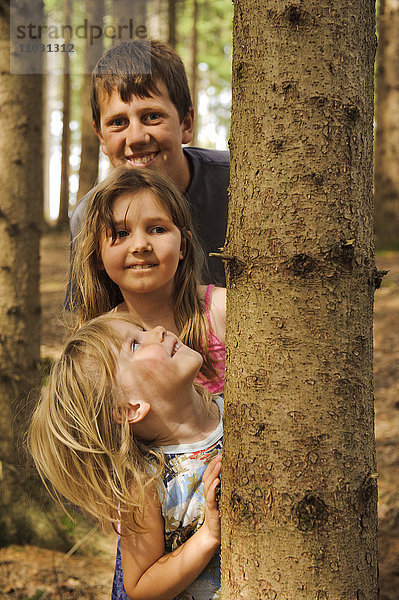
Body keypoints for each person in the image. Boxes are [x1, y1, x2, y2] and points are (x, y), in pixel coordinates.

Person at [28, 312, 223, 600]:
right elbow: (140, 586)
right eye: (135, 344)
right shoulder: (147, 482)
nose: (157, 329)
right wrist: (208, 536)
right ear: (130, 408)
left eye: (142, 329)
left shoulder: (240, 408)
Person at [69, 38, 229, 288]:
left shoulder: (236, 183)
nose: (135, 138)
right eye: (118, 122)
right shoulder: (90, 217)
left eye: (152, 116)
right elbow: (93, 318)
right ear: (100, 136)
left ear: (186, 124)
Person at [72, 166, 225, 395]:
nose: (140, 245)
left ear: (182, 245)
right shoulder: (102, 342)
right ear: (97, 255)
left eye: (157, 229)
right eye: (121, 233)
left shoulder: (220, 310)